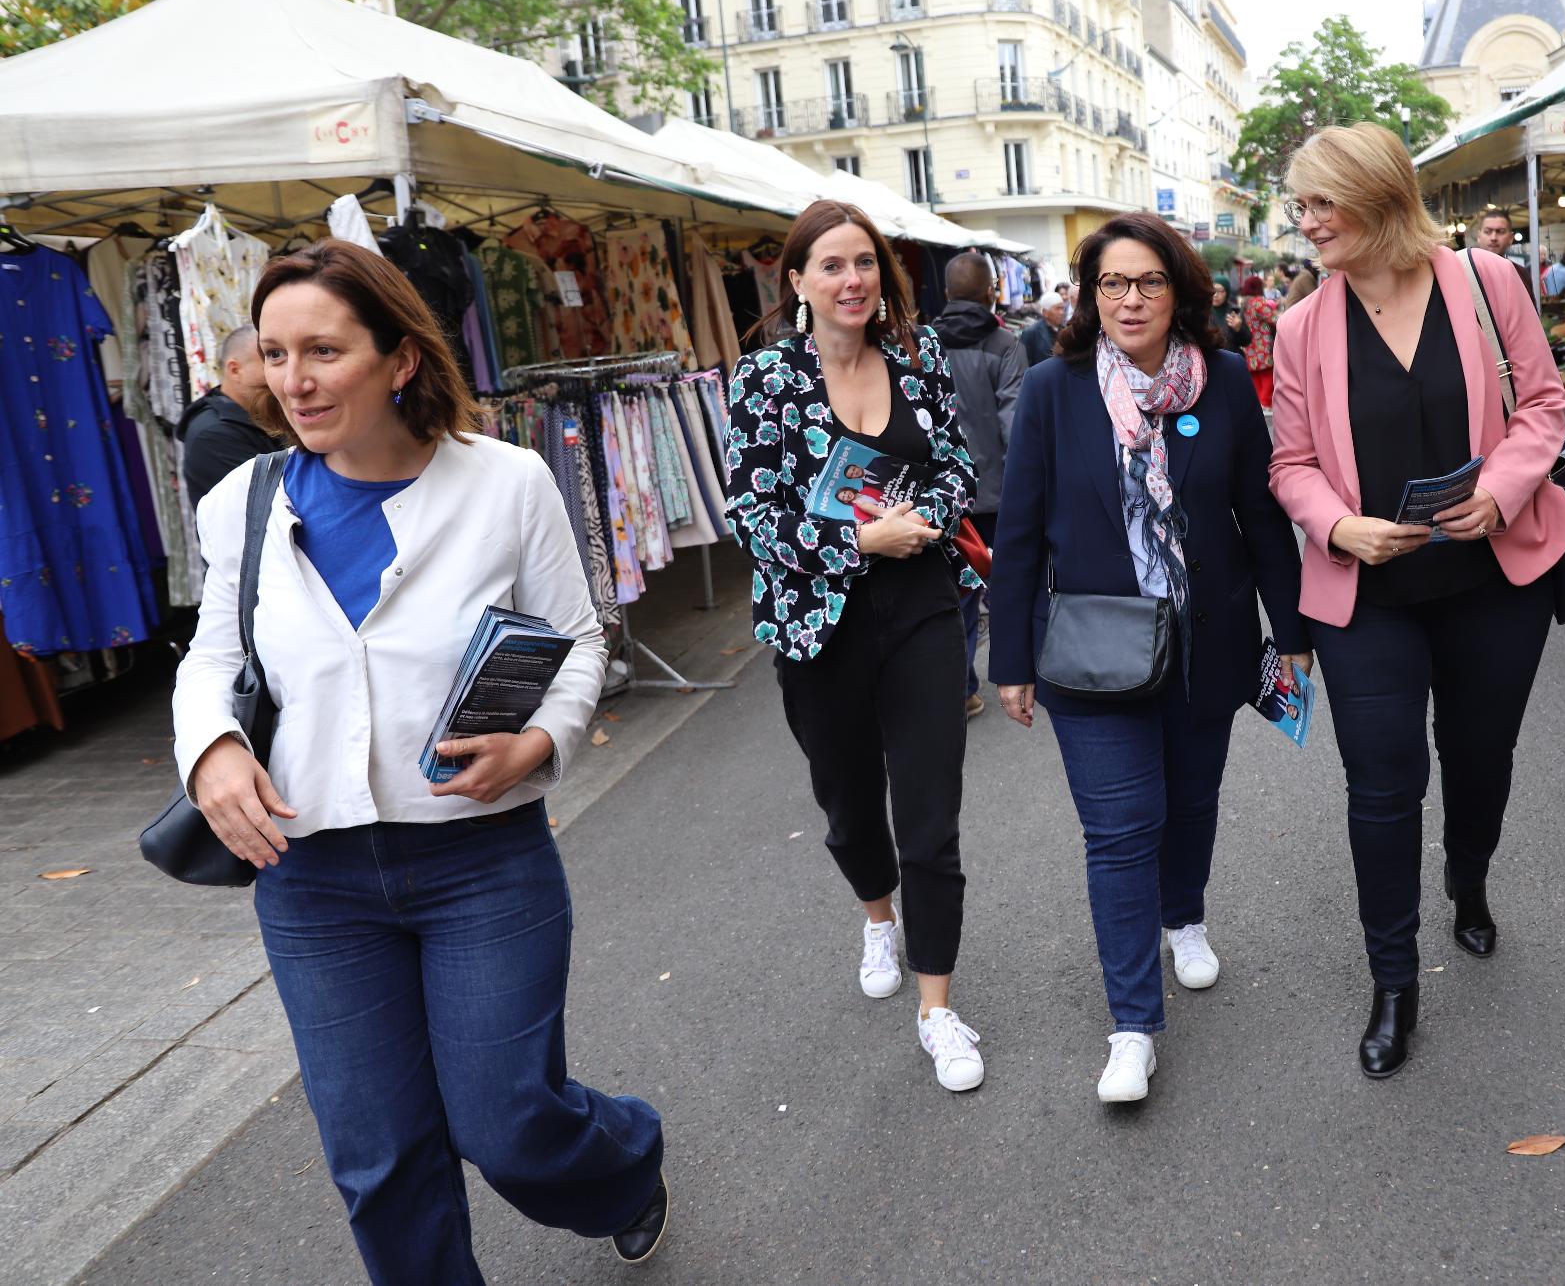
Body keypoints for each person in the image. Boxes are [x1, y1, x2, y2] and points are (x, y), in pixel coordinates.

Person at [169, 240, 668, 1284]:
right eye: (273, 354)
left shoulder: (506, 483)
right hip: (310, 879)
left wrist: (540, 740)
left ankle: (622, 1164)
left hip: (480, 863)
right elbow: (212, 658)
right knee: (379, 1160)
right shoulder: (244, 504)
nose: (292, 380)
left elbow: (578, 637)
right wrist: (212, 749)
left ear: (399, 359)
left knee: (512, 1125)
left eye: (322, 350)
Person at [1268, 123, 1565, 1081]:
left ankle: (1469, 875)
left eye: (1324, 203)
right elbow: (1292, 464)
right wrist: (1335, 527)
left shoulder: (1489, 285)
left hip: (1494, 581)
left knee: (1481, 758)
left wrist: (1508, 487)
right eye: (1301, 204)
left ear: (1381, 198)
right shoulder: (1300, 326)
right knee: (1382, 786)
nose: (1306, 222)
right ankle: (1393, 980)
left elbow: (1546, 406)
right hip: (1372, 599)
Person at [989, 212, 1308, 1104]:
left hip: (1208, 641)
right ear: (1091, 298)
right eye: (1112, 284)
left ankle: (1187, 915)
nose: (1130, 300)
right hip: (1095, 658)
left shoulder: (1226, 383)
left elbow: (1260, 515)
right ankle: (1132, 1025)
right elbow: (1016, 535)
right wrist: (1009, 656)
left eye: (1149, 282)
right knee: (1120, 833)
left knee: (1193, 798)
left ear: (1181, 292)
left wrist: (1292, 635)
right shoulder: (1056, 390)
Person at [721, 199, 988, 1093]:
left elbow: (957, 466)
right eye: (831, 266)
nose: (853, 280)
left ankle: (939, 1007)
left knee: (930, 816)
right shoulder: (765, 379)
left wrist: (924, 519)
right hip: (818, 628)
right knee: (847, 804)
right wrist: (854, 544)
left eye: (865, 263)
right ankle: (878, 913)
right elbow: (752, 515)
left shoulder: (918, 361)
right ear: (796, 282)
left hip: (920, 613)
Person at [932, 250, 1028, 717]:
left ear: (947, 293)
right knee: (1006, 582)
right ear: (991, 291)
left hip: (936, 494)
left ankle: (960, 685)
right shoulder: (1003, 344)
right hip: (996, 491)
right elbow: (1015, 421)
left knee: (955, 591)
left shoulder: (919, 341)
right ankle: (1015, 672)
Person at [175, 324, 278, 507]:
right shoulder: (212, 435)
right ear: (235, 369)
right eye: (269, 358)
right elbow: (274, 502)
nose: (279, 371)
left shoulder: (260, 410)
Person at [1237, 275, 1280, 409]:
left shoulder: (1245, 303)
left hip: (1249, 344)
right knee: (1267, 374)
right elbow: (1274, 319)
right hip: (1262, 344)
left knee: (1255, 376)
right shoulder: (1259, 302)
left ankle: (1258, 403)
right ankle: (1265, 402)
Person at [1475, 209, 1536, 300]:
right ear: (1479, 236)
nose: (1493, 238)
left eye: (1500, 232)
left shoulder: (1521, 274)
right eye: (1488, 232)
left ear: (1511, 238)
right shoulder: (1465, 271)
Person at [1021, 289, 1066, 367]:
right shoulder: (1030, 333)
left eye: (1062, 308)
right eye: (1057, 309)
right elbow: (1024, 364)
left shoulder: (1065, 330)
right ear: (1045, 312)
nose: (1061, 312)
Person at [1211, 278, 1252, 354]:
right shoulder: (1203, 312)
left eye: (1220, 291)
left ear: (1227, 292)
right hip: (1209, 361)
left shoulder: (1235, 311)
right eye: (1213, 290)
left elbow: (1246, 341)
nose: (1215, 295)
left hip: (1231, 360)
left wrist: (1239, 329)